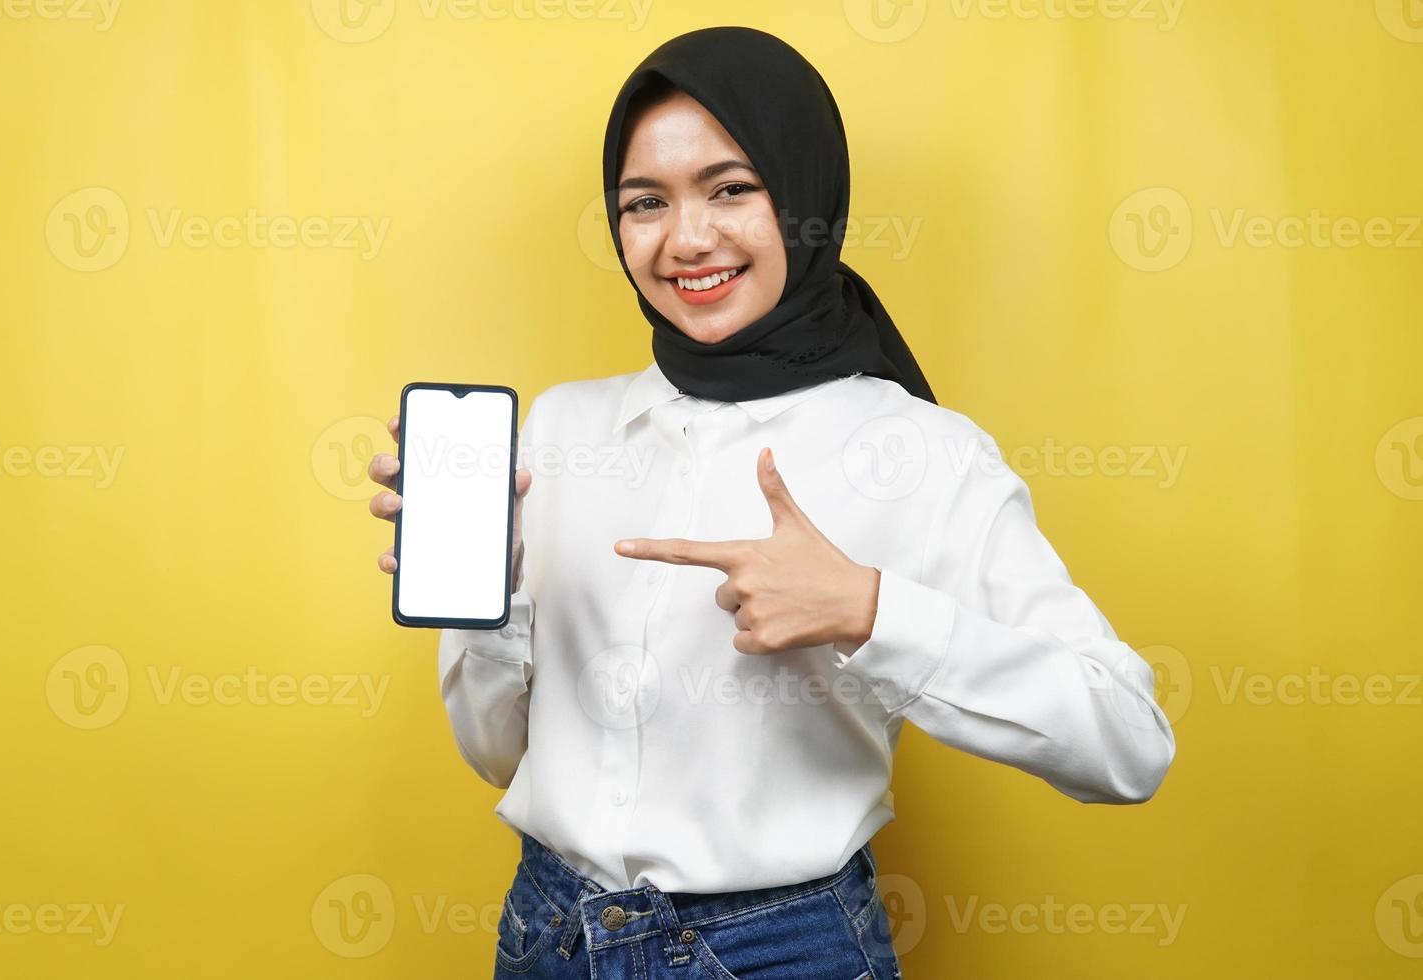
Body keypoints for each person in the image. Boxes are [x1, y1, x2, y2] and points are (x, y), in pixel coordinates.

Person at [367, 26, 1175, 979]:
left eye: (731, 188)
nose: (686, 239)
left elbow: (1127, 741)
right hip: (548, 934)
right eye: (644, 203)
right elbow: (499, 757)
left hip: (781, 953)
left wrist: (872, 610)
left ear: (803, 194)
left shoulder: (922, 452)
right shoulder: (559, 430)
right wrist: (487, 601)